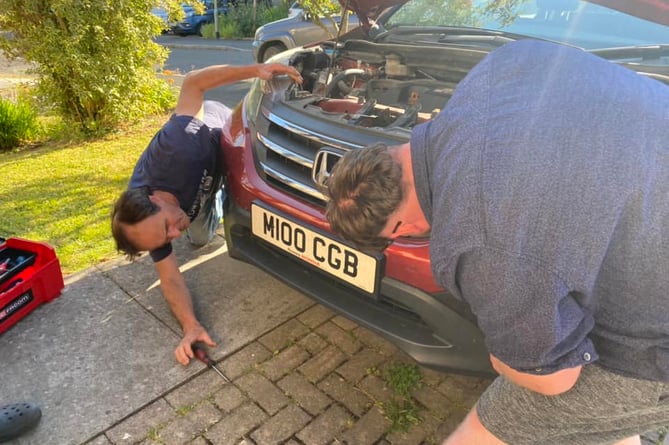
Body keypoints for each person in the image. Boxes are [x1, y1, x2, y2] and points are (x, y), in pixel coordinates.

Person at [324, 39, 668, 445]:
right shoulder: (500, 64)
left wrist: (506, 363)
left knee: (483, 430)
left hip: (654, 343)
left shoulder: (474, 241)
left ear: (395, 228)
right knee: (597, 425)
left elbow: (558, 379)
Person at [111, 63, 302, 366]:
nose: (173, 237)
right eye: (165, 238)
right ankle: (213, 198)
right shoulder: (149, 224)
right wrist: (190, 326)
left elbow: (193, 83)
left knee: (243, 189)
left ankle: (222, 190)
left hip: (219, 134)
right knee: (199, 238)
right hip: (202, 184)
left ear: (155, 198)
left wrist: (257, 70)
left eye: (167, 227)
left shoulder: (177, 145)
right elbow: (169, 277)